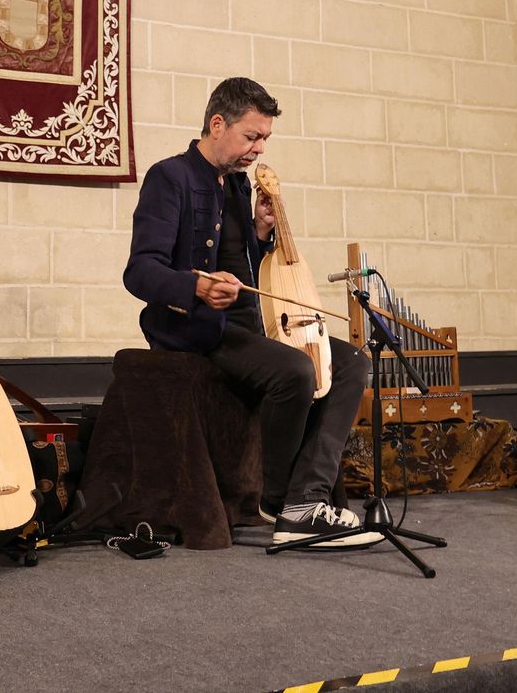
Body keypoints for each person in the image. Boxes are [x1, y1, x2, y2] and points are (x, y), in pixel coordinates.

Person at [124, 77, 378, 547]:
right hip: (199, 328)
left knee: (350, 364)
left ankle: (308, 498)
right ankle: (279, 500)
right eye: (252, 136)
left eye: (265, 139)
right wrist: (196, 286)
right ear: (217, 124)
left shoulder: (239, 186)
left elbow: (242, 265)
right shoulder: (170, 177)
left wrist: (260, 234)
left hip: (254, 323)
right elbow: (139, 272)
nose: (259, 149)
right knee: (296, 370)